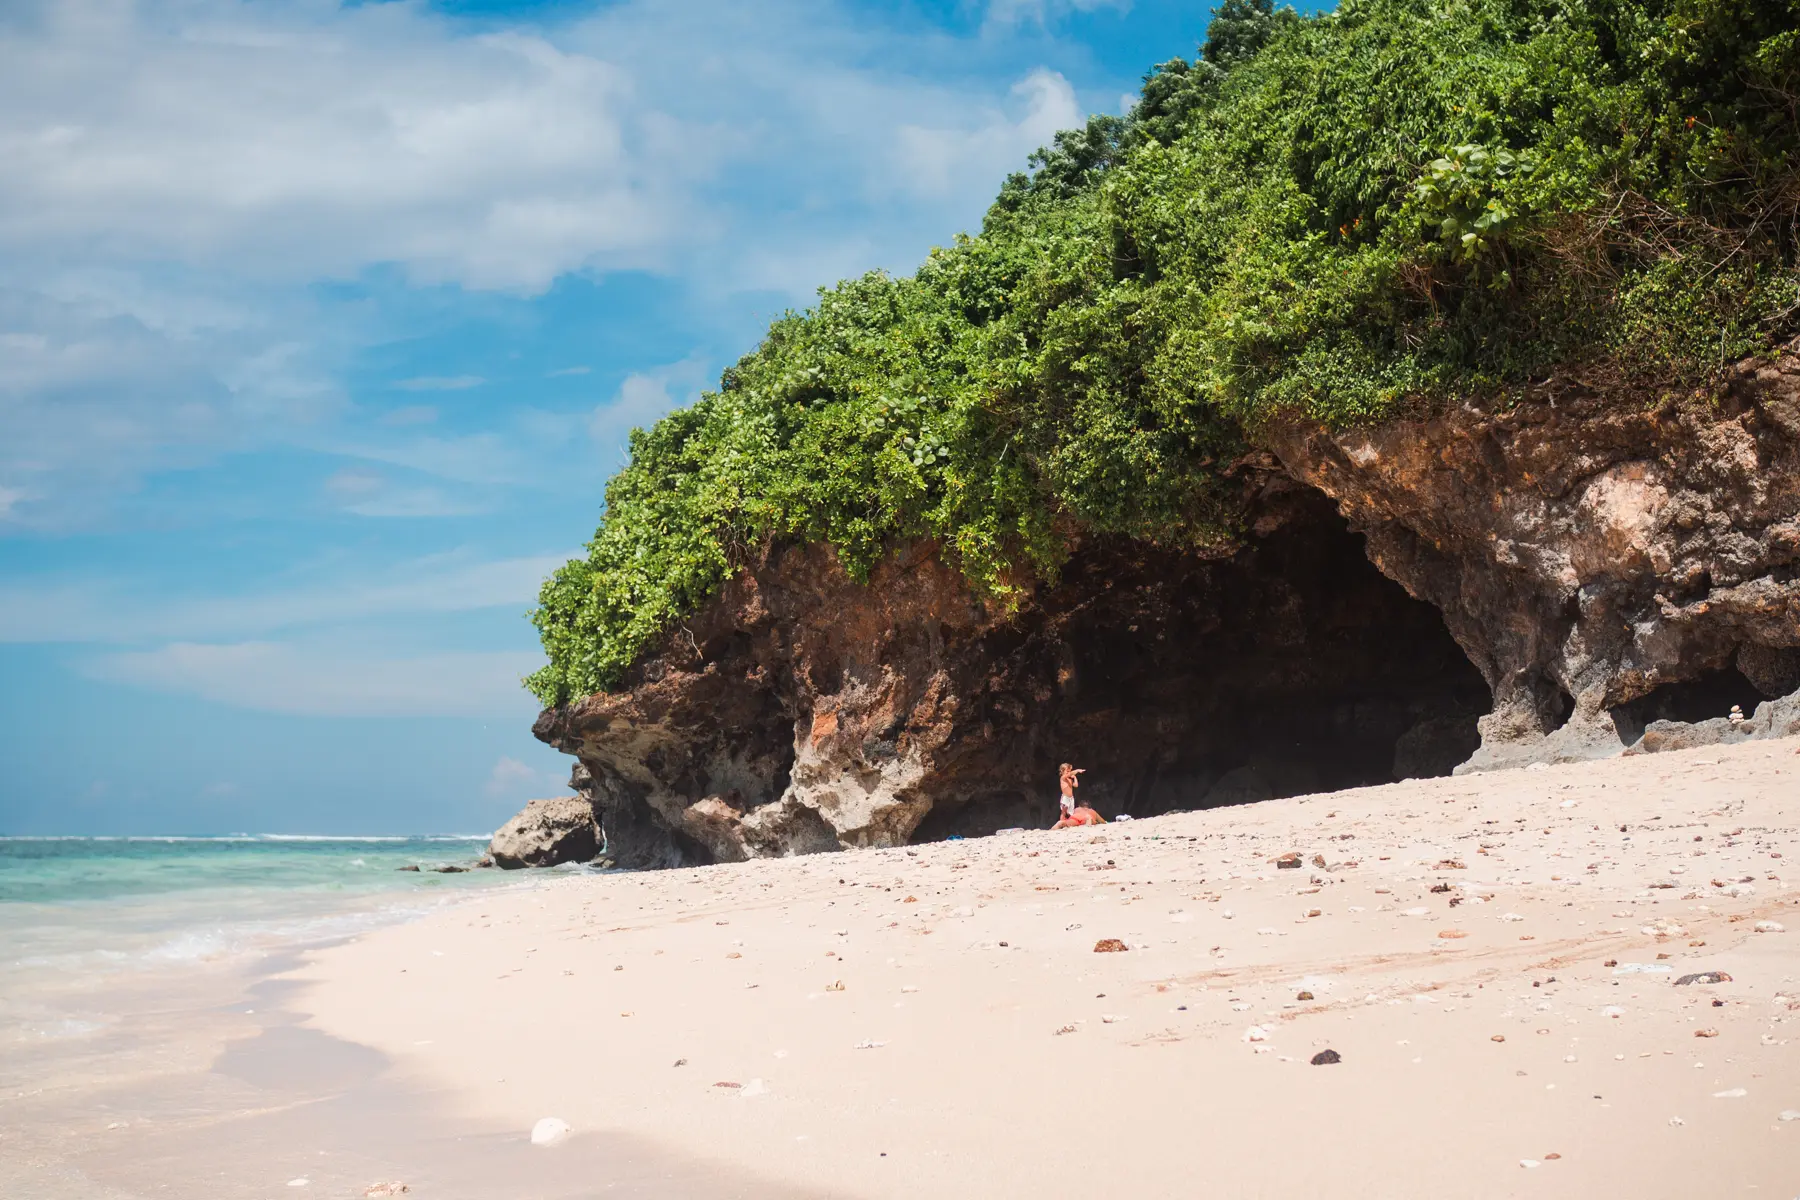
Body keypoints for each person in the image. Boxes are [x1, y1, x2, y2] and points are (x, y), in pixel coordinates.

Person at [1051, 764, 1105, 829]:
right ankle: (1061, 821)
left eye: (1069, 771)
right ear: (1062, 771)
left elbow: (1076, 785)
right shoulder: (1062, 778)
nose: (1069, 773)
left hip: (1071, 798)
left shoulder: (1069, 780)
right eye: (1067, 771)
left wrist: (1075, 778)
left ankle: (1069, 822)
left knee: (1071, 812)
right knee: (1064, 811)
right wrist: (1077, 770)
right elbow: (1069, 774)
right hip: (1065, 797)